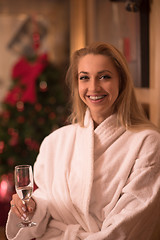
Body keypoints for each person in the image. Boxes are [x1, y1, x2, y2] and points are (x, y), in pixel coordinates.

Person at [6, 42, 160, 240]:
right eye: (84, 77)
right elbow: (47, 200)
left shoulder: (147, 143)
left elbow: (128, 225)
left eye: (104, 77)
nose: (93, 87)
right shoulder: (55, 141)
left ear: (121, 82)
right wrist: (31, 206)